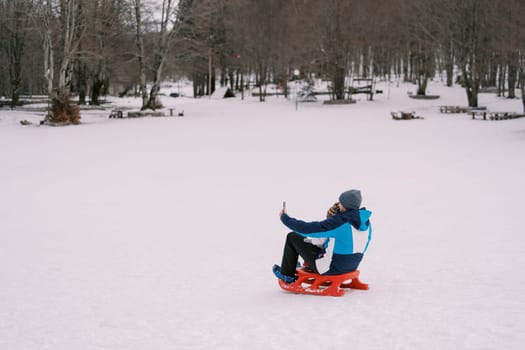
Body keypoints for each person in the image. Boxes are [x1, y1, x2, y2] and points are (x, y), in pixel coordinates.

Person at [273, 189, 372, 283]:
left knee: (292, 237)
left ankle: (287, 275)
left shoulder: (340, 223)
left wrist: (285, 218)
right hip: (352, 266)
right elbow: (364, 244)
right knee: (322, 245)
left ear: (346, 205)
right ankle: (299, 263)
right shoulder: (366, 223)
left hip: (331, 268)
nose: (339, 204)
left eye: (341, 202)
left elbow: (308, 229)